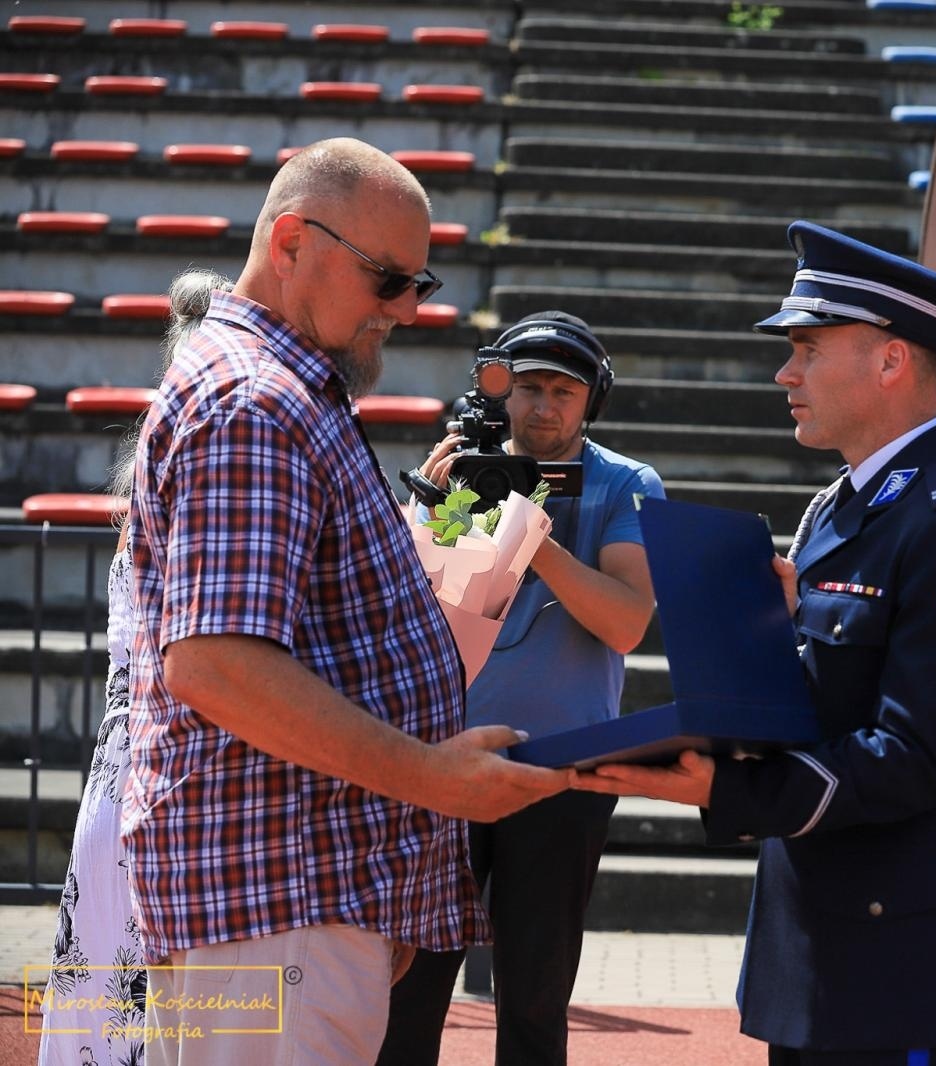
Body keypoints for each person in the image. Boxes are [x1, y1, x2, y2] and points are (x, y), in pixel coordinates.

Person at [123, 137, 572, 1066]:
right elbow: (218, 664)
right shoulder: (255, 401)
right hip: (272, 908)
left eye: (424, 282)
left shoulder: (282, 390)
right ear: (290, 244)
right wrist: (431, 780)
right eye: (388, 278)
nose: (407, 309)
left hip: (288, 904)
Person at [577, 221, 936, 1065]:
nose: (785, 373)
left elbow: (913, 757)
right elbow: (827, 700)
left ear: (891, 361)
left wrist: (726, 787)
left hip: (901, 968)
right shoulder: (839, 510)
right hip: (816, 949)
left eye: (807, 348)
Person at [379, 312, 665, 1066]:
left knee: (535, 995)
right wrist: (431, 509)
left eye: (563, 391)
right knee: (410, 988)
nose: (543, 406)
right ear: (499, 393)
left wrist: (528, 535)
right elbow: (411, 616)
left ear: (590, 400)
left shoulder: (626, 483)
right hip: (444, 764)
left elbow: (629, 623)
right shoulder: (463, 471)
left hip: (562, 770)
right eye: (528, 387)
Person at [37, 268, 229, 1066]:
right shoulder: (208, 465)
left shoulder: (166, 464)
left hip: (126, 781)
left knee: (114, 1021)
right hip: (174, 786)